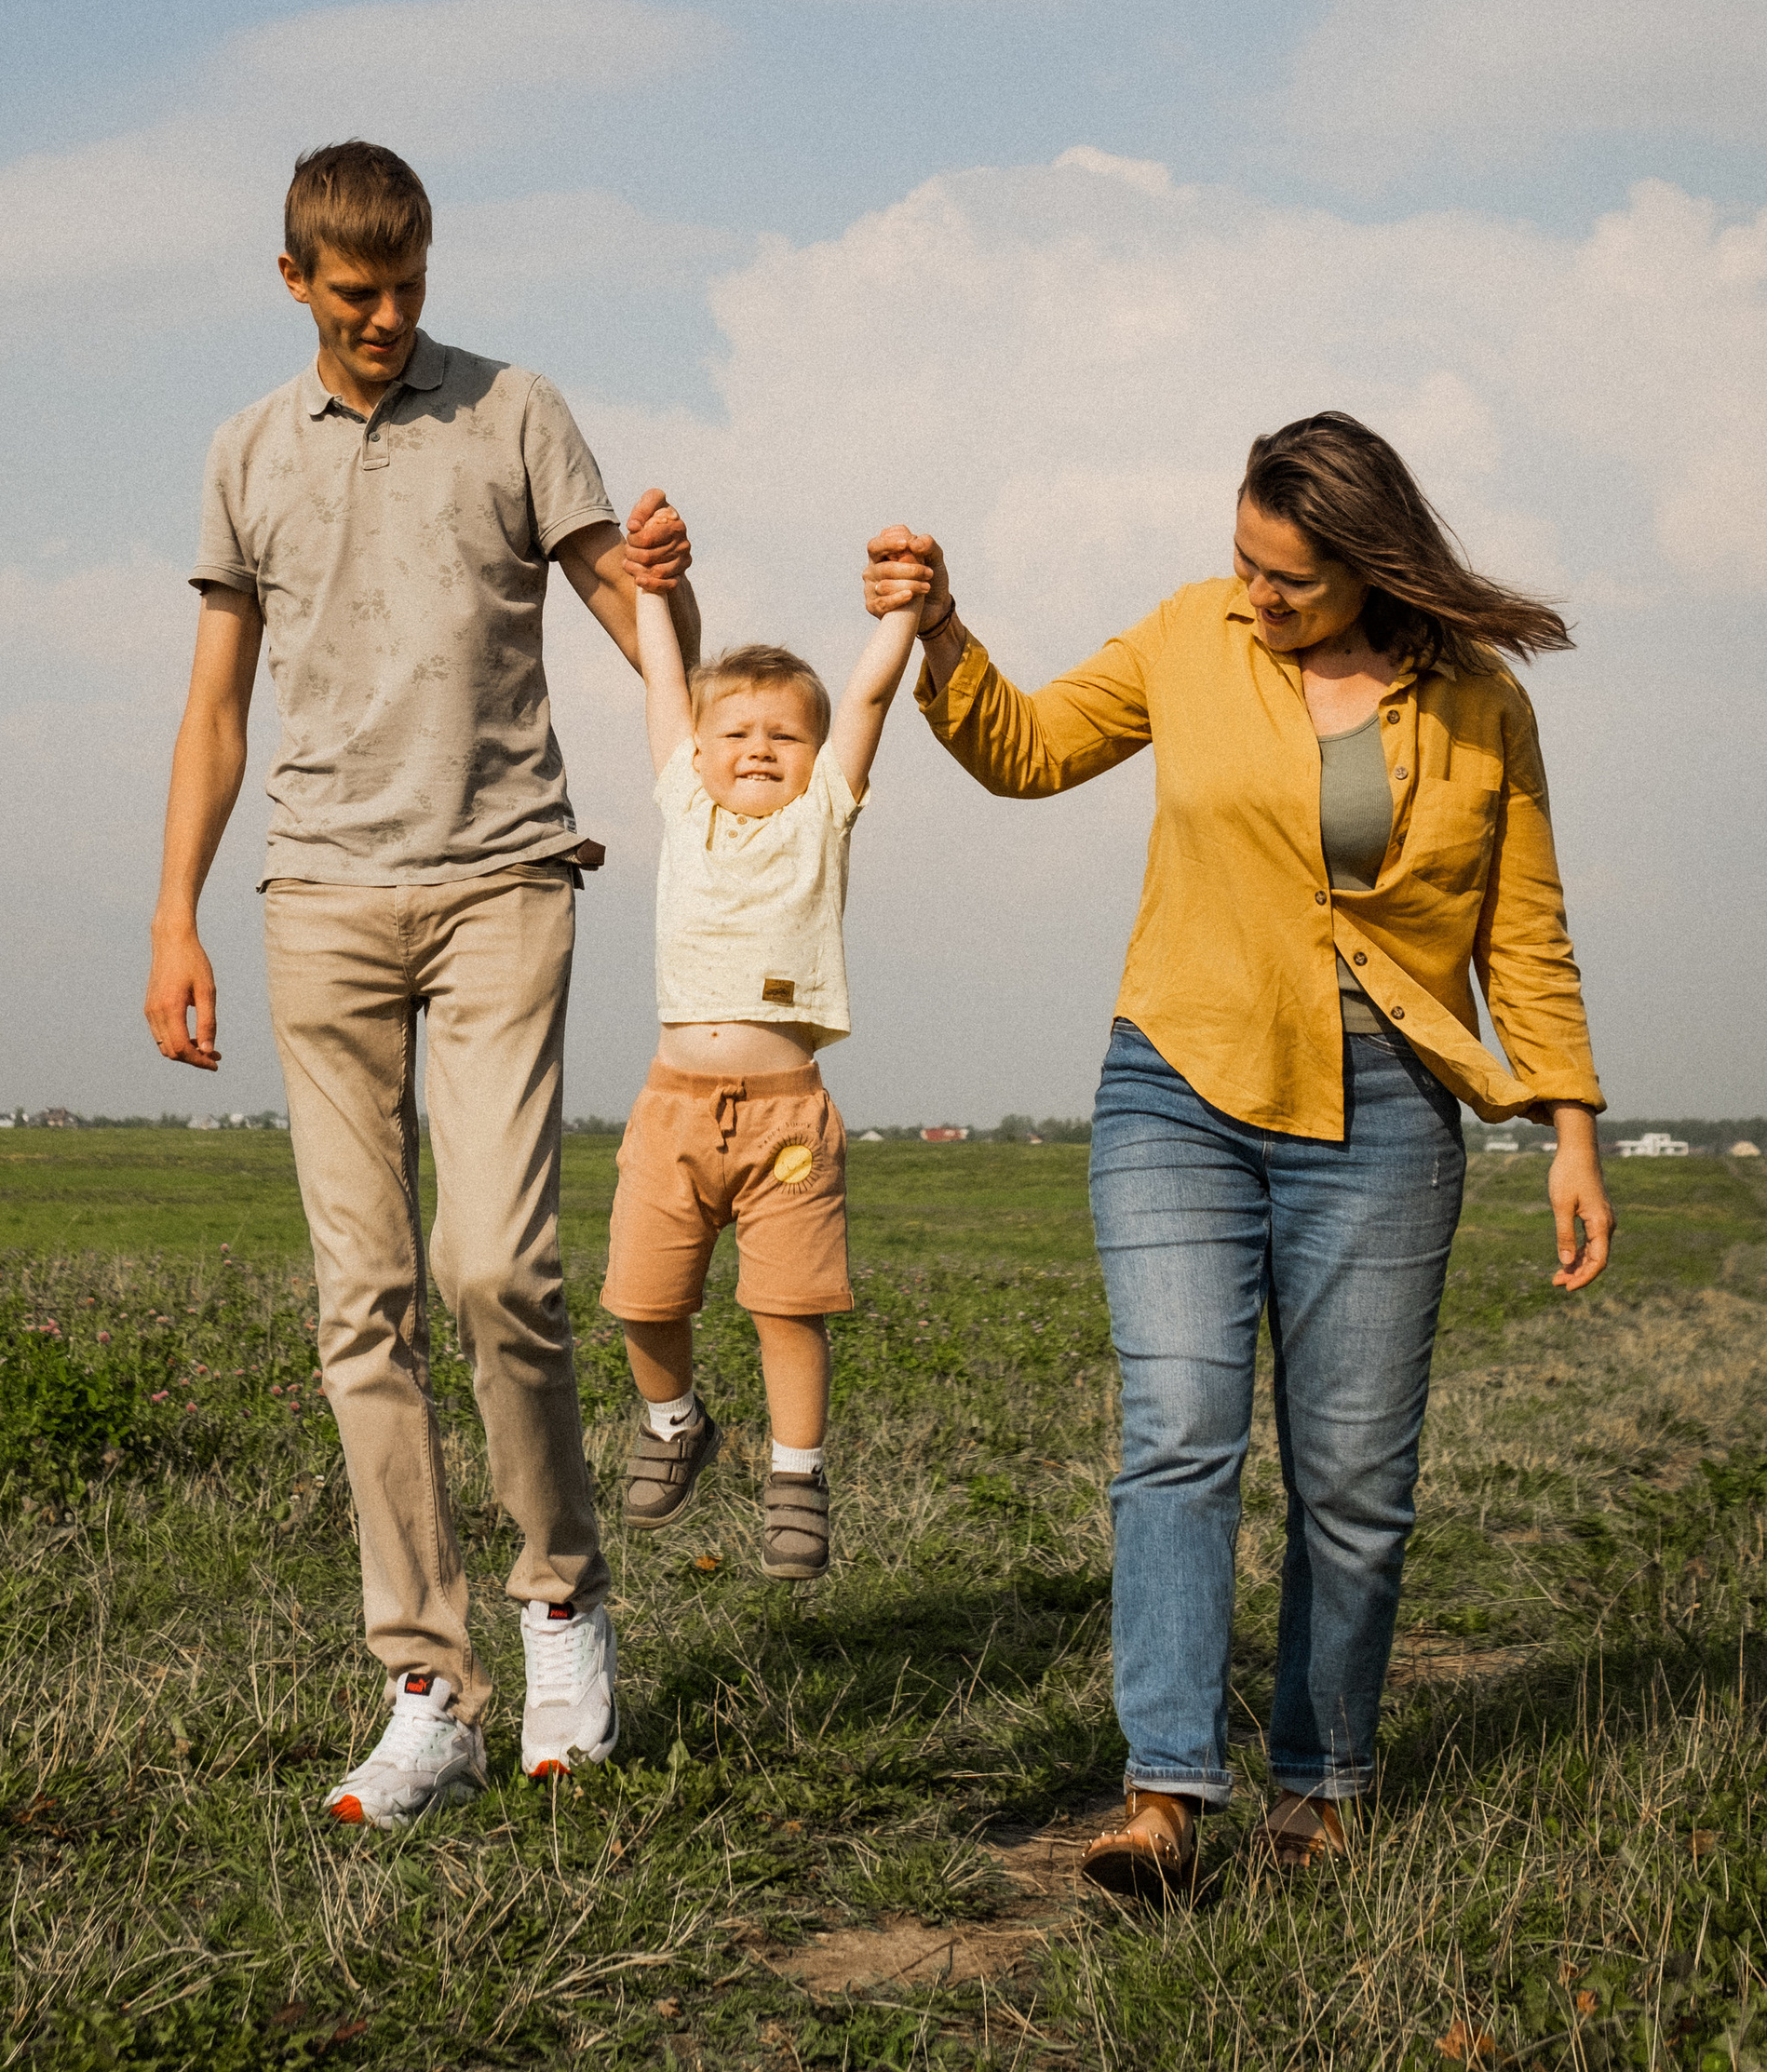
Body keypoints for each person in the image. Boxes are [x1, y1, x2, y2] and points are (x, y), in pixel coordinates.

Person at [865, 411, 1612, 1895]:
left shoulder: (1476, 701)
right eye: (1245, 563)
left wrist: (1572, 1129)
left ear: (1373, 567)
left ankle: (1320, 1787)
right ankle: (1161, 1794)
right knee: (1181, 1432)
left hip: (1391, 1110)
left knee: (1350, 1479)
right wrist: (946, 631)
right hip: (1181, 1083)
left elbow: (1523, 931)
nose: (1259, 598)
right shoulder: (1187, 638)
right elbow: (1026, 748)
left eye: (1293, 581)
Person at [145, 139, 696, 1828]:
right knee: (359, 1299)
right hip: (319, 896)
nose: (387, 318)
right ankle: (427, 1692)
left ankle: (561, 1600)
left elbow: (631, 610)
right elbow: (218, 705)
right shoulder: (246, 452)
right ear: (297, 279)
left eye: (410, 285)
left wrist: (676, 595)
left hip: (503, 882)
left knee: (495, 1268)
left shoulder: (519, 412)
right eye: (355, 291)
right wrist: (175, 915)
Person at [605, 591, 923, 1580]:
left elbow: (869, 696)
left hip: (786, 1118)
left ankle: (797, 1475)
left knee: (789, 1307)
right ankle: (673, 1422)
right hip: (672, 1112)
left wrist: (905, 613)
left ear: (815, 757)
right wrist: (654, 593)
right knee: (642, 1301)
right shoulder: (683, 806)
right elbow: (665, 682)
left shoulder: (821, 817)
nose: (756, 747)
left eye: (784, 734)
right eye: (734, 731)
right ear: (695, 753)